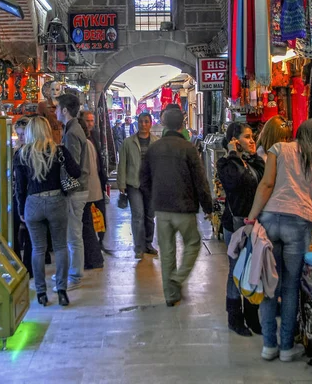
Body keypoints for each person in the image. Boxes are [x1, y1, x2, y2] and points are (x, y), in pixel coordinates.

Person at [248, 118, 312, 362]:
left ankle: (268, 346)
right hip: (300, 224)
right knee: (291, 286)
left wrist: (252, 217)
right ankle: (286, 349)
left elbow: (267, 184)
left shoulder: (278, 149)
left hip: (271, 220)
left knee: (269, 283)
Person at [140, 109, 213, 306]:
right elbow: (200, 180)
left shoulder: (154, 149)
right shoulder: (188, 148)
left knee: (167, 251)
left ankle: (171, 296)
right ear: (182, 125)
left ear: (163, 124)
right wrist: (208, 206)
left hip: (162, 209)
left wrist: (153, 198)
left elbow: (143, 179)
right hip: (184, 207)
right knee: (193, 243)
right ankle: (179, 277)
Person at [15, 116, 81, 307]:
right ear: (46, 130)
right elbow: (76, 172)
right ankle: (61, 291)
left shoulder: (21, 155)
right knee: (60, 247)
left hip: (32, 204)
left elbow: (20, 187)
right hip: (56, 201)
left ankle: (41, 293)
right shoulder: (58, 151)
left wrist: (21, 210)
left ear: (29, 132)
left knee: (37, 249)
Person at [217, 123, 265, 337]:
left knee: (254, 269)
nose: (252, 140)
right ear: (235, 141)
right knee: (236, 271)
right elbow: (235, 181)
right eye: (247, 137)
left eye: (252, 135)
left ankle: (253, 316)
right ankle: (234, 317)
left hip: (255, 224)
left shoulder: (253, 162)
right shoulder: (226, 164)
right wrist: (234, 154)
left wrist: (252, 156)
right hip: (236, 225)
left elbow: (264, 180)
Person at [55, 94, 90, 290]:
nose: (55, 112)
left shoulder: (71, 133)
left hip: (75, 190)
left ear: (65, 110)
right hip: (79, 188)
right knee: (72, 232)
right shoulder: (73, 129)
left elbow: (73, 165)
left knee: (73, 234)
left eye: (57, 108)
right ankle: (70, 271)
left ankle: (75, 275)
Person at [117, 113, 158, 259]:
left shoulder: (156, 142)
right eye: (141, 121)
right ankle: (138, 247)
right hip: (134, 183)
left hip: (151, 185)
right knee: (138, 215)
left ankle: (148, 244)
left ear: (150, 123)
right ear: (137, 123)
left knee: (149, 216)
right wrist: (121, 183)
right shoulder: (128, 142)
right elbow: (122, 164)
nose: (143, 124)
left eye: (146, 121)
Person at [80, 110, 110, 252]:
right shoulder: (81, 138)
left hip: (98, 180)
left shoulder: (95, 135)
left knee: (100, 212)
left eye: (92, 121)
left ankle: (101, 240)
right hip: (88, 184)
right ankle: (94, 244)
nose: (90, 124)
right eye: (87, 121)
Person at [12, 117, 33, 277]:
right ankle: (16, 263)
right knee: (15, 230)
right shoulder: (16, 151)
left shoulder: (31, 152)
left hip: (29, 197)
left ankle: (28, 266)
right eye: (18, 134)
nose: (20, 137)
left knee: (30, 234)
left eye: (23, 134)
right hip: (17, 197)